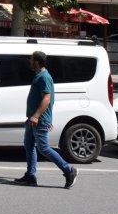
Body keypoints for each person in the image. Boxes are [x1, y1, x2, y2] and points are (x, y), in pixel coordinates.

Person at [15, 51, 78, 189]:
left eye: (31, 59)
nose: (29, 62)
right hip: (33, 119)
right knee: (29, 146)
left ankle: (69, 170)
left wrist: (37, 116)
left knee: (44, 148)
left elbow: (47, 99)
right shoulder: (40, 76)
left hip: (38, 119)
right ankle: (30, 176)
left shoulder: (44, 77)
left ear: (36, 62)